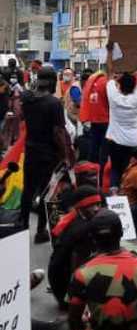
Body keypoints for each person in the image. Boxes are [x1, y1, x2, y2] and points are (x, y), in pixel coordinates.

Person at [32, 209, 137, 330]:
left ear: (93, 238)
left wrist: (79, 325)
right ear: (121, 233)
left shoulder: (83, 272)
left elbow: (74, 322)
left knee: (51, 327)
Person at [20, 65, 73, 243]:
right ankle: (41, 230)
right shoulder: (53, 103)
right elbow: (58, 132)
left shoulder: (27, 98)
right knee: (45, 192)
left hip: (30, 149)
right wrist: (65, 155)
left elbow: (21, 117)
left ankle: (22, 225)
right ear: (51, 82)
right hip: (47, 154)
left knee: (27, 190)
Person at [47, 182, 102, 308]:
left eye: (98, 204)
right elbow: (76, 266)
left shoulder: (77, 219)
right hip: (67, 289)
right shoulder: (82, 229)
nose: (96, 209)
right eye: (91, 205)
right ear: (81, 207)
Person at [104, 40, 137, 190]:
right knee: (130, 170)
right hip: (134, 142)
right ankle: (129, 195)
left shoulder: (114, 97)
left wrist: (110, 52)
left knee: (115, 169)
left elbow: (109, 72)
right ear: (135, 86)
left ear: (120, 85)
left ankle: (115, 196)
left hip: (115, 142)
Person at [79, 68, 110, 167]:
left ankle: (91, 171)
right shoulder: (106, 82)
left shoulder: (91, 83)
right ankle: (101, 173)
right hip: (105, 120)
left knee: (94, 148)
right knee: (104, 151)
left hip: (93, 119)